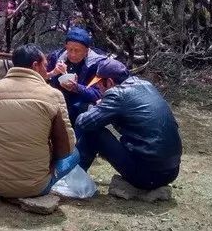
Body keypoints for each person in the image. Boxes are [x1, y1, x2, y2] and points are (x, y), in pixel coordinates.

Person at [0, 44, 80, 198]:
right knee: (75, 153)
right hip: (36, 187)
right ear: (35, 65)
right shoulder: (53, 95)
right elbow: (65, 149)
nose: (46, 69)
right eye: (45, 65)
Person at [75, 58, 182, 191]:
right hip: (172, 171)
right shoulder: (145, 85)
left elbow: (83, 123)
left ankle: (74, 177)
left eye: (99, 85)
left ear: (109, 82)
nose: (98, 88)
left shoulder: (117, 95)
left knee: (92, 130)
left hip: (148, 176)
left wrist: (98, 107)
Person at [45, 26, 107, 124]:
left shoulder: (97, 64)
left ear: (87, 51)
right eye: (69, 50)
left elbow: (99, 93)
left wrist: (77, 87)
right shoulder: (56, 57)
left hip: (82, 105)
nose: (72, 54)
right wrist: (53, 73)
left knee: (79, 108)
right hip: (57, 100)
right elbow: (41, 78)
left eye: (77, 50)